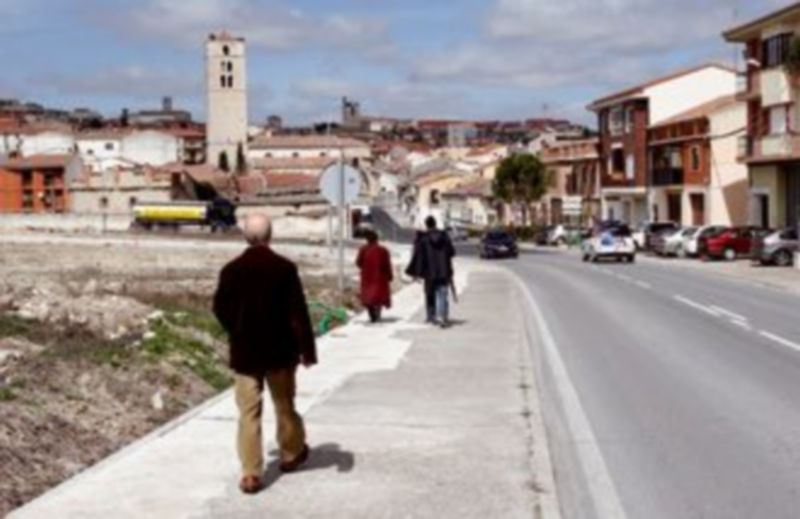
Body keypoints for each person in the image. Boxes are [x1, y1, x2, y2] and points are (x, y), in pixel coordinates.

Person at [213, 213, 317, 494]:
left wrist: (236, 329)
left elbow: (219, 308)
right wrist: (307, 350)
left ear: (246, 236)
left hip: (245, 353)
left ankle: (250, 473)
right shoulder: (284, 268)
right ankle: (291, 453)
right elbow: (298, 313)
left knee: (248, 413)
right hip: (280, 352)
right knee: (284, 405)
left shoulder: (231, 270)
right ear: (271, 236)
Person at [406, 216, 456, 328]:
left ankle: (431, 317)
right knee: (442, 294)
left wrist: (416, 273)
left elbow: (419, 257)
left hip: (429, 272)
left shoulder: (424, 239)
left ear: (426, 225)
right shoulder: (445, 237)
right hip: (444, 271)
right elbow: (452, 252)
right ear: (435, 223)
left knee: (429, 294)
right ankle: (443, 317)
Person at [356, 229, 393, 323]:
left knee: (368, 297)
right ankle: (377, 314)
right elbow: (387, 264)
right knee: (379, 297)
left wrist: (365, 267)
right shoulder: (383, 250)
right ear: (377, 239)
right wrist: (390, 275)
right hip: (380, 277)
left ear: (367, 240)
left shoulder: (363, 249)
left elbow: (358, 262)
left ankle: (372, 315)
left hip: (367, 277)